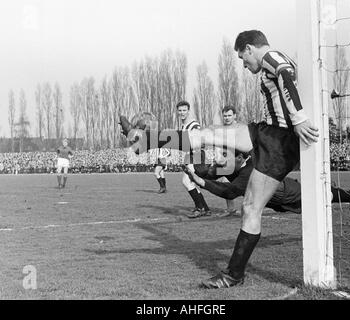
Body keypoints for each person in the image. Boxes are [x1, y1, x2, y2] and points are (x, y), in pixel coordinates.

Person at [120, 30, 320, 289]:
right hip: (265, 131)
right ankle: (146, 140)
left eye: (242, 58)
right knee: (207, 134)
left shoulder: (272, 56)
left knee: (250, 207)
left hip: (279, 143)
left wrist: (300, 118)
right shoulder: (278, 59)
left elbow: (283, 75)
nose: (244, 65)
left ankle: (234, 274)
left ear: (249, 48)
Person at [183, 149, 350, 217]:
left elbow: (230, 191)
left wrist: (201, 182)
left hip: (286, 192)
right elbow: (209, 172)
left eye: (224, 155)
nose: (220, 158)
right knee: (316, 202)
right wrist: (193, 168)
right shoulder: (231, 165)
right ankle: (348, 195)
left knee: (321, 197)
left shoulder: (249, 171)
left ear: (239, 158)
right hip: (275, 199)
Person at [176, 100, 211, 218]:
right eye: (180, 110)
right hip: (190, 155)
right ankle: (205, 208)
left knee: (187, 181)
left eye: (184, 110)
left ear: (188, 111)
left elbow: (198, 142)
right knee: (191, 182)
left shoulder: (193, 125)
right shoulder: (184, 125)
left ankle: (200, 208)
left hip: (195, 154)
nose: (182, 112)